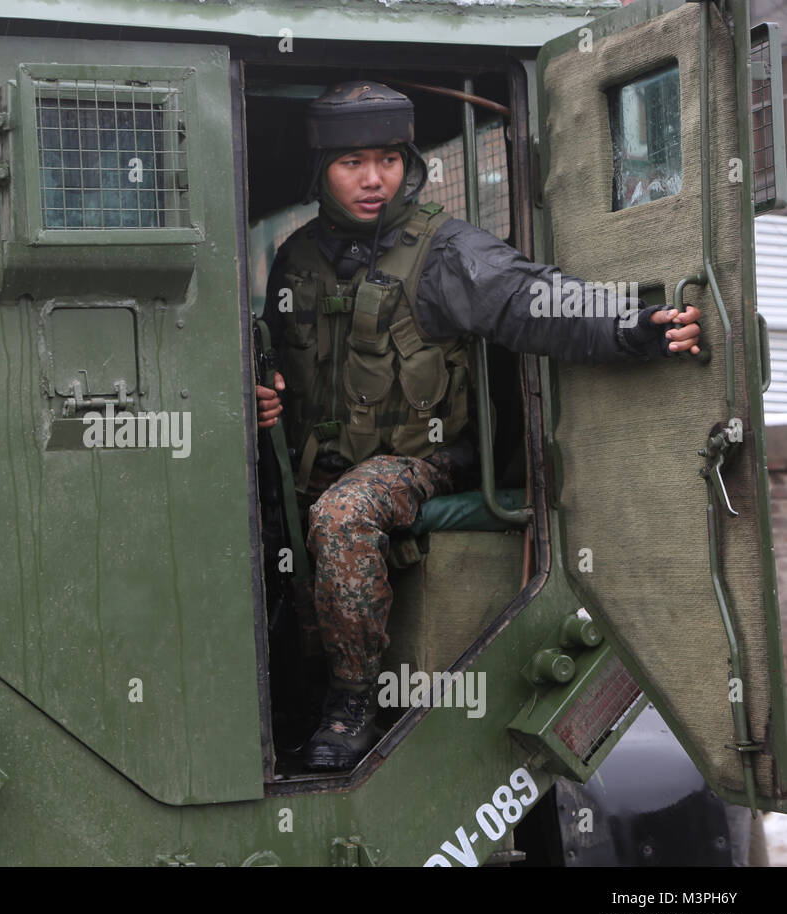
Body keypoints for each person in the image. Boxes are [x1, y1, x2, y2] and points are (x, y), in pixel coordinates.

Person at [255, 80, 701, 772]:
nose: (374, 179)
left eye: (388, 159)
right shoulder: (295, 258)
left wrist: (635, 326)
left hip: (421, 461)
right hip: (314, 462)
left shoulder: (444, 252)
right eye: (352, 163)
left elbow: (535, 301)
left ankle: (352, 707)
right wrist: (265, 397)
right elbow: (274, 363)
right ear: (321, 173)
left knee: (344, 516)